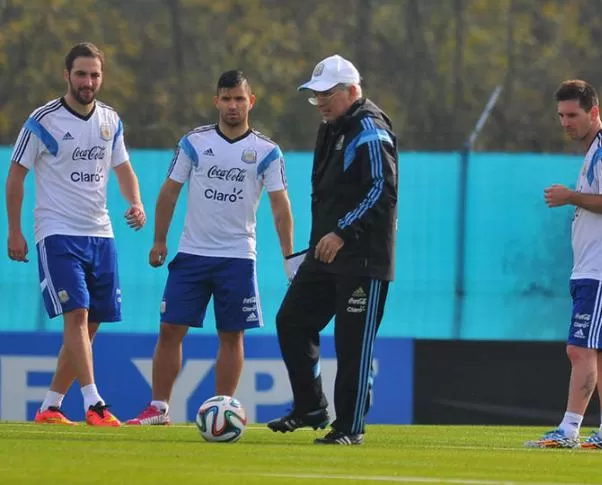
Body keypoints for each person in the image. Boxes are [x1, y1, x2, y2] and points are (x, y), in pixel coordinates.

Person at [125, 70, 294, 425]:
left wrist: (289, 256)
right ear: (216, 101)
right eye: (227, 98)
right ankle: (158, 408)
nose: (233, 105)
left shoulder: (267, 152)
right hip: (192, 254)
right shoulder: (195, 143)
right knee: (170, 329)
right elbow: (170, 191)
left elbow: (281, 206)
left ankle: (222, 410)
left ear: (251, 101)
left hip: (237, 257)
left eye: (239, 99)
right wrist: (159, 239)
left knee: (231, 335)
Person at [5, 42, 146, 426]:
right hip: (57, 231)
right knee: (78, 314)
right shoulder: (43, 119)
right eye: (81, 73)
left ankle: (50, 406)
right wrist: (14, 231)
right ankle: (93, 403)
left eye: (95, 74)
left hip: (100, 233)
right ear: (66, 75)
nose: (88, 81)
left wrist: (135, 202)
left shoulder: (109, 120)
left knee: (88, 325)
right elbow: (16, 175)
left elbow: (124, 169)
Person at [266, 54, 398, 446]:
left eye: (326, 94)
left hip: (362, 258)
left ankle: (350, 428)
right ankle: (310, 407)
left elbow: (382, 189)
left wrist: (341, 231)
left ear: (352, 92)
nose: (320, 102)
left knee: (352, 345)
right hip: (325, 253)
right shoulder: (332, 126)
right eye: (315, 95)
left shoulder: (370, 128)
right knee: (292, 320)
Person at [525, 80, 602, 450]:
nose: (565, 122)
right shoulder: (599, 151)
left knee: (580, 348)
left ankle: (569, 429)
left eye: (572, 115)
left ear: (594, 112)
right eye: (561, 116)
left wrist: (570, 196)